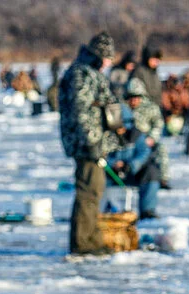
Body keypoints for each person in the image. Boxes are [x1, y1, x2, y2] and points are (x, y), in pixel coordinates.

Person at [59, 32, 125, 254]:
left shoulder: (87, 72)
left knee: (94, 191)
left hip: (93, 142)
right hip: (86, 144)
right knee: (88, 192)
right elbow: (81, 112)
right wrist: (91, 142)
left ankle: (91, 238)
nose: (108, 64)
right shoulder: (81, 74)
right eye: (106, 59)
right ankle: (83, 242)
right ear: (98, 56)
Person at [107, 79, 164, 218]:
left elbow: (144, 151)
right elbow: (102, 155)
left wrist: (130, 165)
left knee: (152, 171)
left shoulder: (137, 134)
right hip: (111, 173)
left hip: (131, 171)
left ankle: (147, 209)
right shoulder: (107, 136)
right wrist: (112, 163)